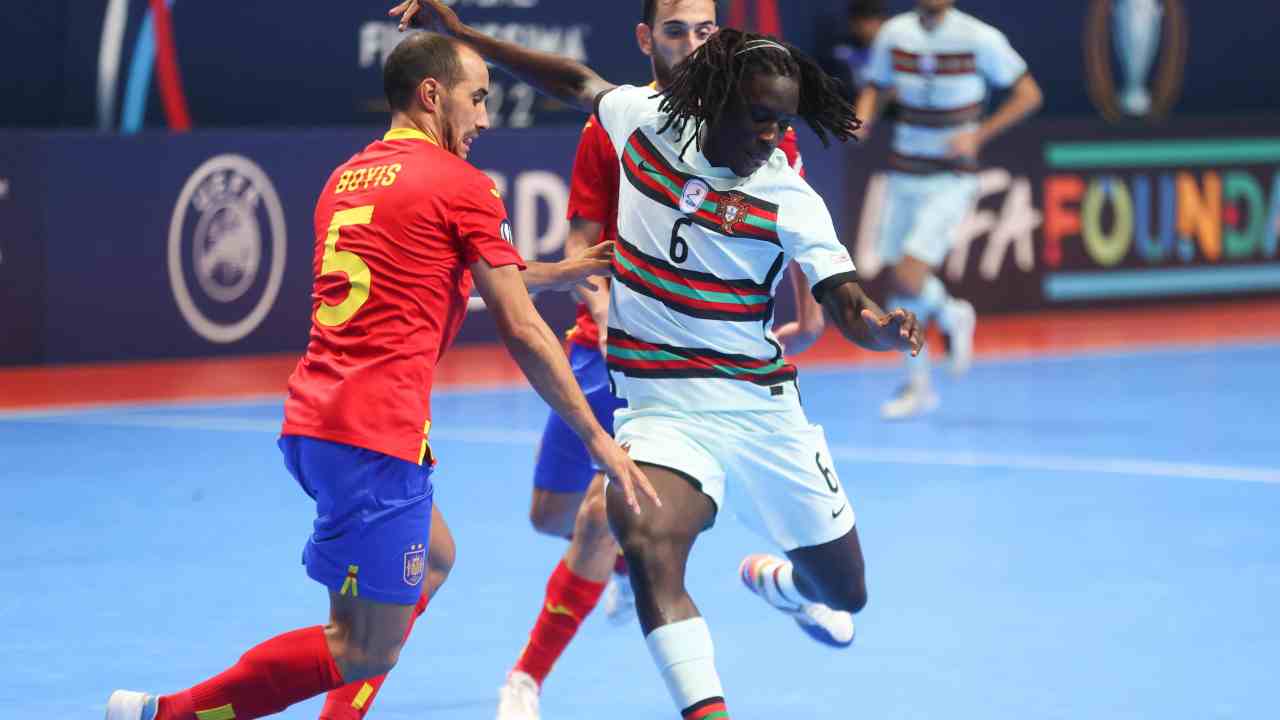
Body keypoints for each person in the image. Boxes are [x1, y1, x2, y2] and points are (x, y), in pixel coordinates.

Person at [104, 31, 658, 720]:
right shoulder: (463, 185)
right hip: (376, 437)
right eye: (477, 98)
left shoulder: (349, 178)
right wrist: (598, 441)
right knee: (361, 647)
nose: (485, 118)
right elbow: (521, 329)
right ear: (433, 95)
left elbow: (427, 272)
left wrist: (552, 272)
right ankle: (173, 714)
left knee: (435, 557)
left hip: (319, 421)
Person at [393, 3, 923, 718]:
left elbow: (845, 301)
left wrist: (883, 330)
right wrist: (460, 35)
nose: (774, 138)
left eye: (784, 122)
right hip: (659, 401)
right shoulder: (645, 118)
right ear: (715, 105)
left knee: (844, 591)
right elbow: (570, 80)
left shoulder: (788, 196)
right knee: (642, 536)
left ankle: (785, 586)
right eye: (761, 120)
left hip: (758, 406)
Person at [492, 1, 825, 718]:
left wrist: (814, 303)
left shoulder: (754, 119)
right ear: (648, 39)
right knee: (551, 515)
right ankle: (627, 557)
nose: (693, 43)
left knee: (595, 518)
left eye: (705, 30)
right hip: (603, 347)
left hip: (696, 370)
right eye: (676, 30)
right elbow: (586, 237)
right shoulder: (615, 121)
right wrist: (599, 301)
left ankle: (524, 677)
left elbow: (794, 211)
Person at [853, 0, 1042, 419]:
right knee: (900, 288)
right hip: (904, 173)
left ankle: (952, 313)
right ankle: (919, 387)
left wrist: (980, 134)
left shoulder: (980, 37)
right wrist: (864, 116)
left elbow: (1029, 94)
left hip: (951, 178)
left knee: (908, 274)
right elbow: (877, 85)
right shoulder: (894, 34)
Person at [818, 0, 891, 102]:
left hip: (884, 111)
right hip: (847, 107)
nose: (867, 26)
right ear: (852, 23)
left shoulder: (892, 51)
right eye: (860, 19)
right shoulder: (839, 52)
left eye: (872, 19)